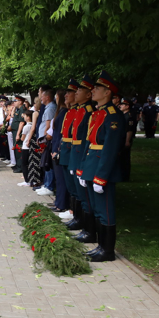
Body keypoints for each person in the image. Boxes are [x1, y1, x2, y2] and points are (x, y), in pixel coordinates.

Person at [80, 71, 126, 261]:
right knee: (98, 210)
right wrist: (83, 169)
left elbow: (110, 148)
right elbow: (89, 143)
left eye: (97, 88)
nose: (93, 90)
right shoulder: (98, 113)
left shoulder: (113, 116)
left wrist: (101, 176)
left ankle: (107, 251)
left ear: (108, 92)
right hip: (92, 164)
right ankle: (100, 246)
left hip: (102, 168)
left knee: (106, 211)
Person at [70, 75, 97, 242]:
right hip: (75, 152)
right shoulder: (80, 110)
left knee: (86, 197)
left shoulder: (88, 111)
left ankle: (88, 230)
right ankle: (81, 223)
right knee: (77, 192)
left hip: (82, 154)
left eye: (80, 90)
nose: (75, 93)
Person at [56, 79, 80, 220]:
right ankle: (73, 212)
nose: (66, 95)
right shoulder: (71, 111)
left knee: (76, 188)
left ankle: (75, 213)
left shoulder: (80, 112)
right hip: (66, 149)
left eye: (70, 92)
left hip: (74, 151)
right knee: (71, 186)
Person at [49, 87, 71, 213]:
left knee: (61, 178)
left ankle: (61, 203)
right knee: (59, 177)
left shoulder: (64, 112)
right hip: (56, 145)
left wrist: (57, 149)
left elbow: (61, 134)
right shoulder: (61, 111)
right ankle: (59, 201)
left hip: (58, 147)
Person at [117, 98, 137, 182]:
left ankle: (125, 176)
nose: (120, 106)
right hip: (121, 139)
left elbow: (129, 130)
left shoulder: (129, 116)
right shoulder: (123, 115)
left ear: (127, 106)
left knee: (125, 158)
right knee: (121, 158)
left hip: (125, 139)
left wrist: (127, 141)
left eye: (123, 104)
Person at [17, 111, 34, 186]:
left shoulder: (26, 126)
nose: (23, 117)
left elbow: (22, 138)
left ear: (28, 117)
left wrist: (21, 137)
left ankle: (27, 180)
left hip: (26, 146)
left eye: (25, 116)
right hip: (31, 146)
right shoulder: (33, 125)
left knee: (24, 164)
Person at [10, 96, 25, 171]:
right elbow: (13, 116)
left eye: (16, 101)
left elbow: (22, 122)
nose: (14, 102)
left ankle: (20, 167)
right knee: (16, 149)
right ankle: (17, 165)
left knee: (19, 149)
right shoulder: (18, 109)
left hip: (18, 131)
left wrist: (18, 134)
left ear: (20, 102)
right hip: (15, 131)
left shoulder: (22, 109)